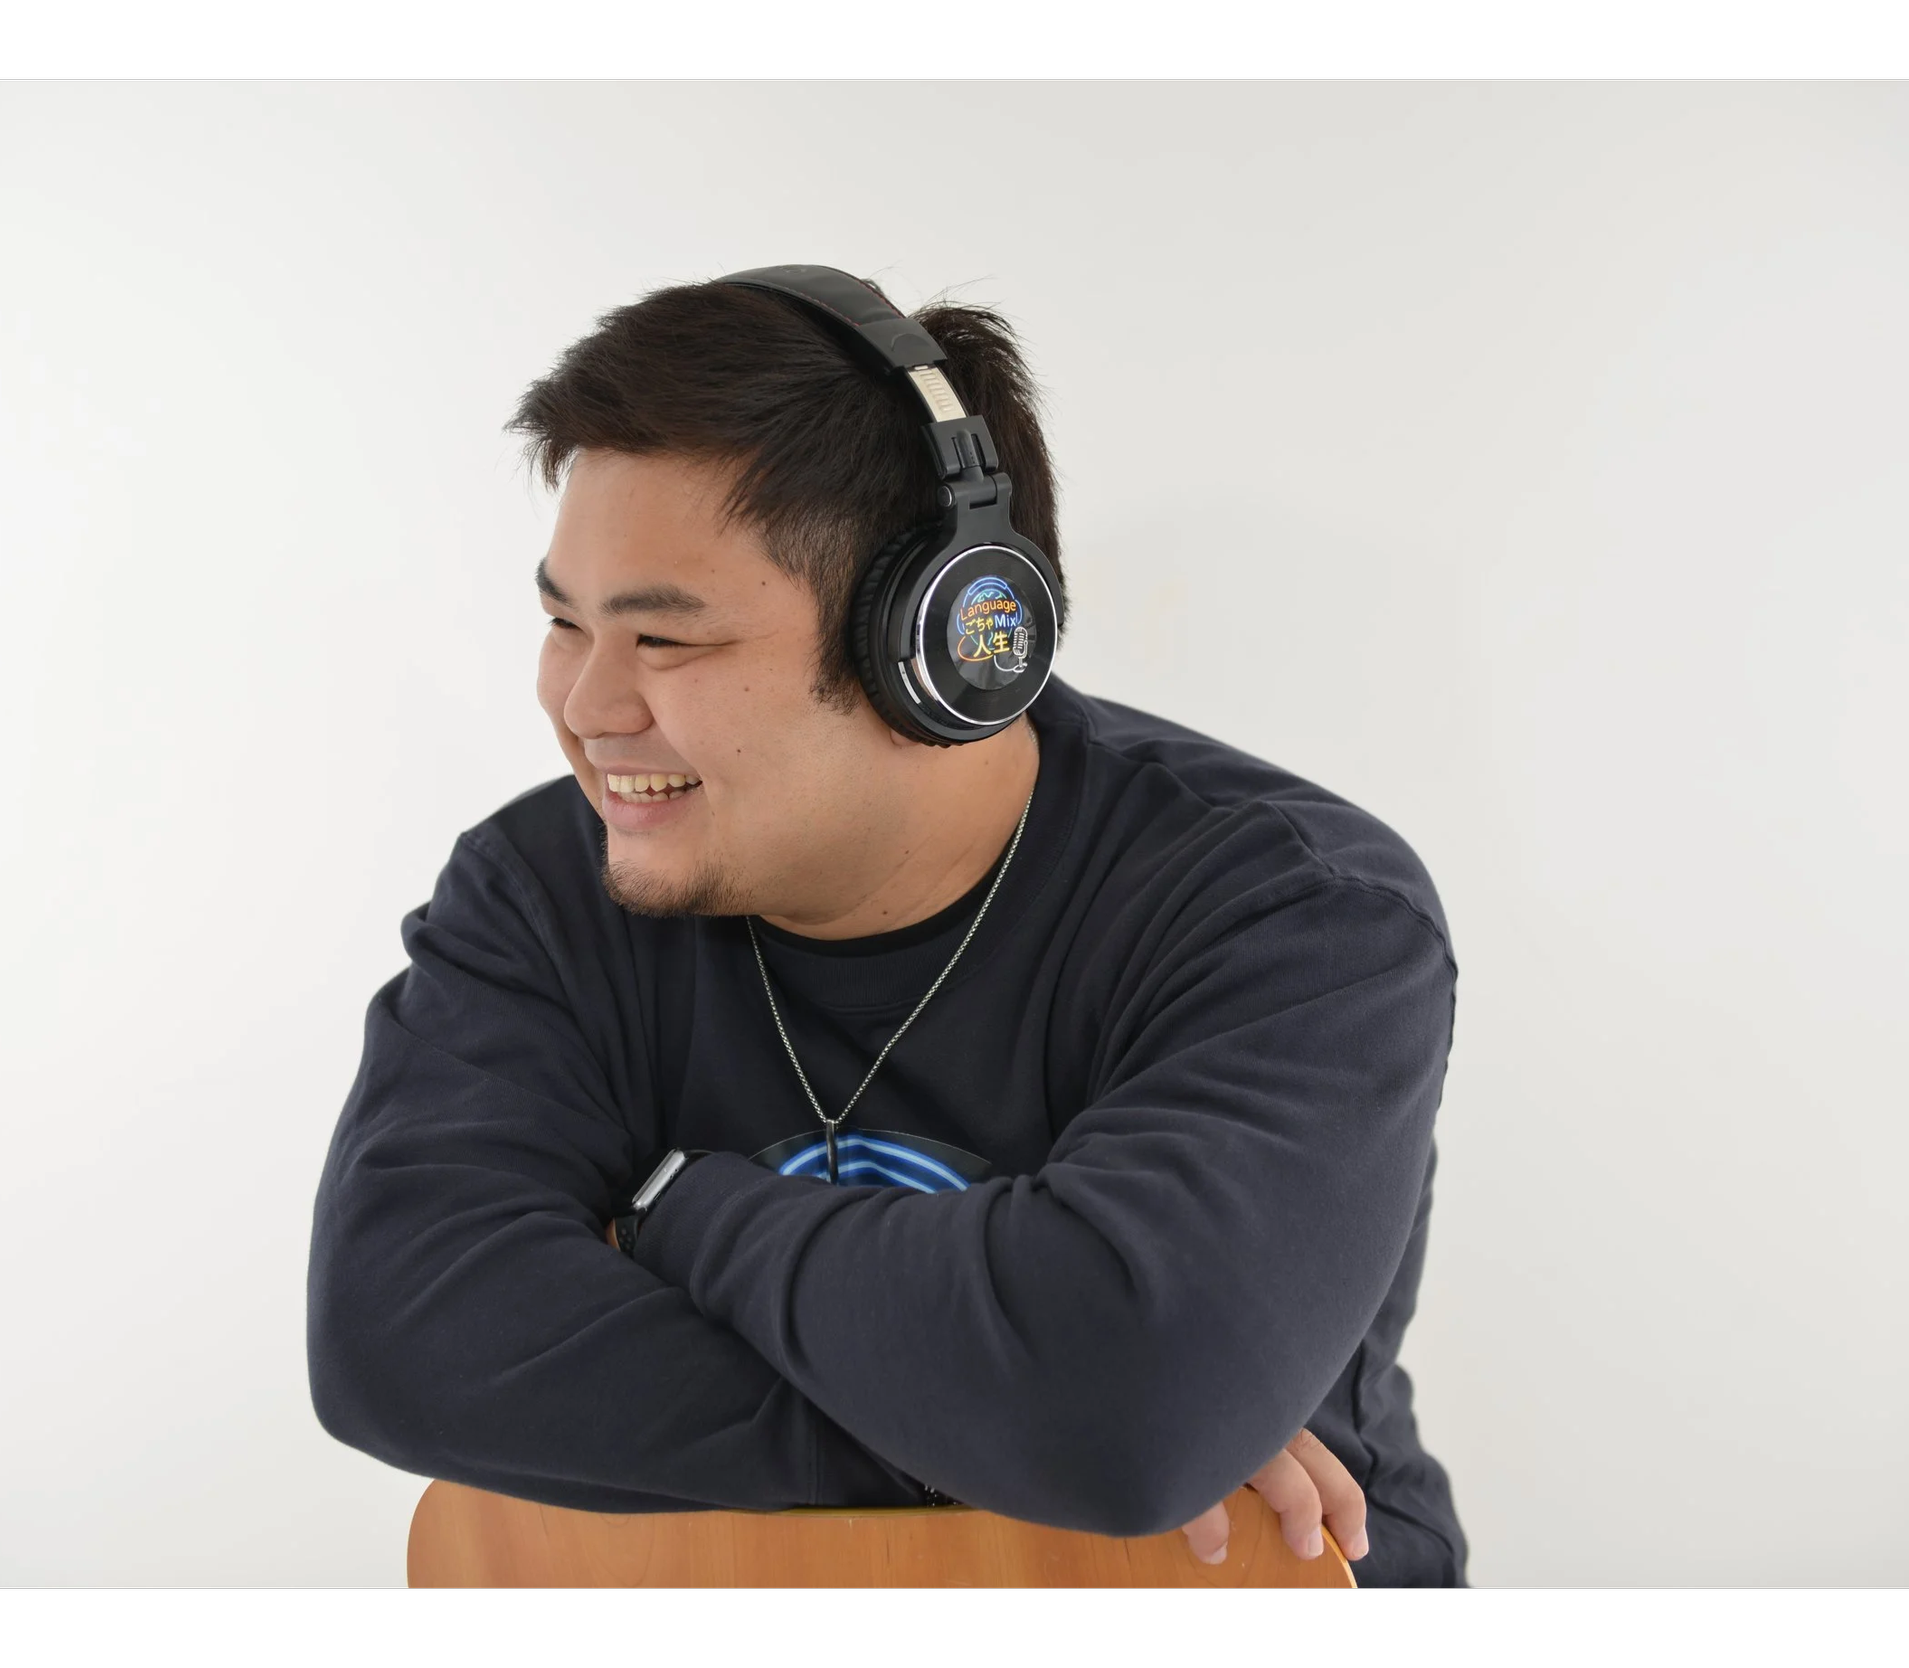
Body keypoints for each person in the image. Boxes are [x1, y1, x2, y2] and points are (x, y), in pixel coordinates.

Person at [306, 267, 1467, 1587]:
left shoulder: (1294, 913)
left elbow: (1126, 1397)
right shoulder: (538, 893)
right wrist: (1019, 1419)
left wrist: (674, 1209)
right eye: (564, 622)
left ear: (948, 647)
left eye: (665, 642)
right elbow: (396, 1338)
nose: (584, 703)